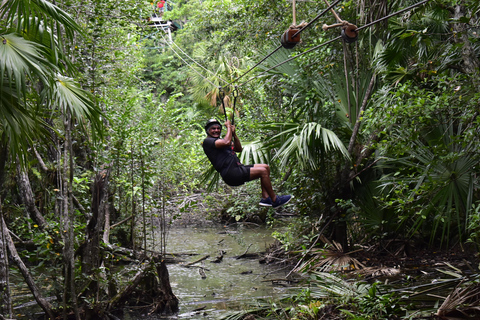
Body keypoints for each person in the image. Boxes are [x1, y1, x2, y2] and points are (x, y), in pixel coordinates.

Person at [202, 119, 292, 208]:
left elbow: (238, 149)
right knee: (263, 171)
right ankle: (275, 200)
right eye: (213, 128)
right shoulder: (208, 142)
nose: (216, 130)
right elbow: (226, 142)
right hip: (231, 173)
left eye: (218, 128)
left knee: (266, 167)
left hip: (237, 168)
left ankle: (266, 197)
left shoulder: (220, 141)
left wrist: (234, 134)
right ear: (208, 130)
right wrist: (229, 126)